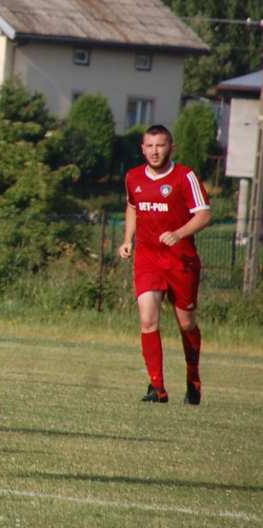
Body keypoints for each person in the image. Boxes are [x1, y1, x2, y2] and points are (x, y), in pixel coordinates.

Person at [118, 124, 210, 405]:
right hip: (148, 259)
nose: (155, 151)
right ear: (142, 148)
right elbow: (133, 207)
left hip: (181, 260)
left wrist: (179, 234)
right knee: (148, 320)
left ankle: (193, 379)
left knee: (186, 322)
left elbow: (204, 214)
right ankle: (157, 388)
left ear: (171, 147)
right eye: (150, 145)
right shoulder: (133, 177)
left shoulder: (185, 177)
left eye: (160, 145)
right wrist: (127, 240)